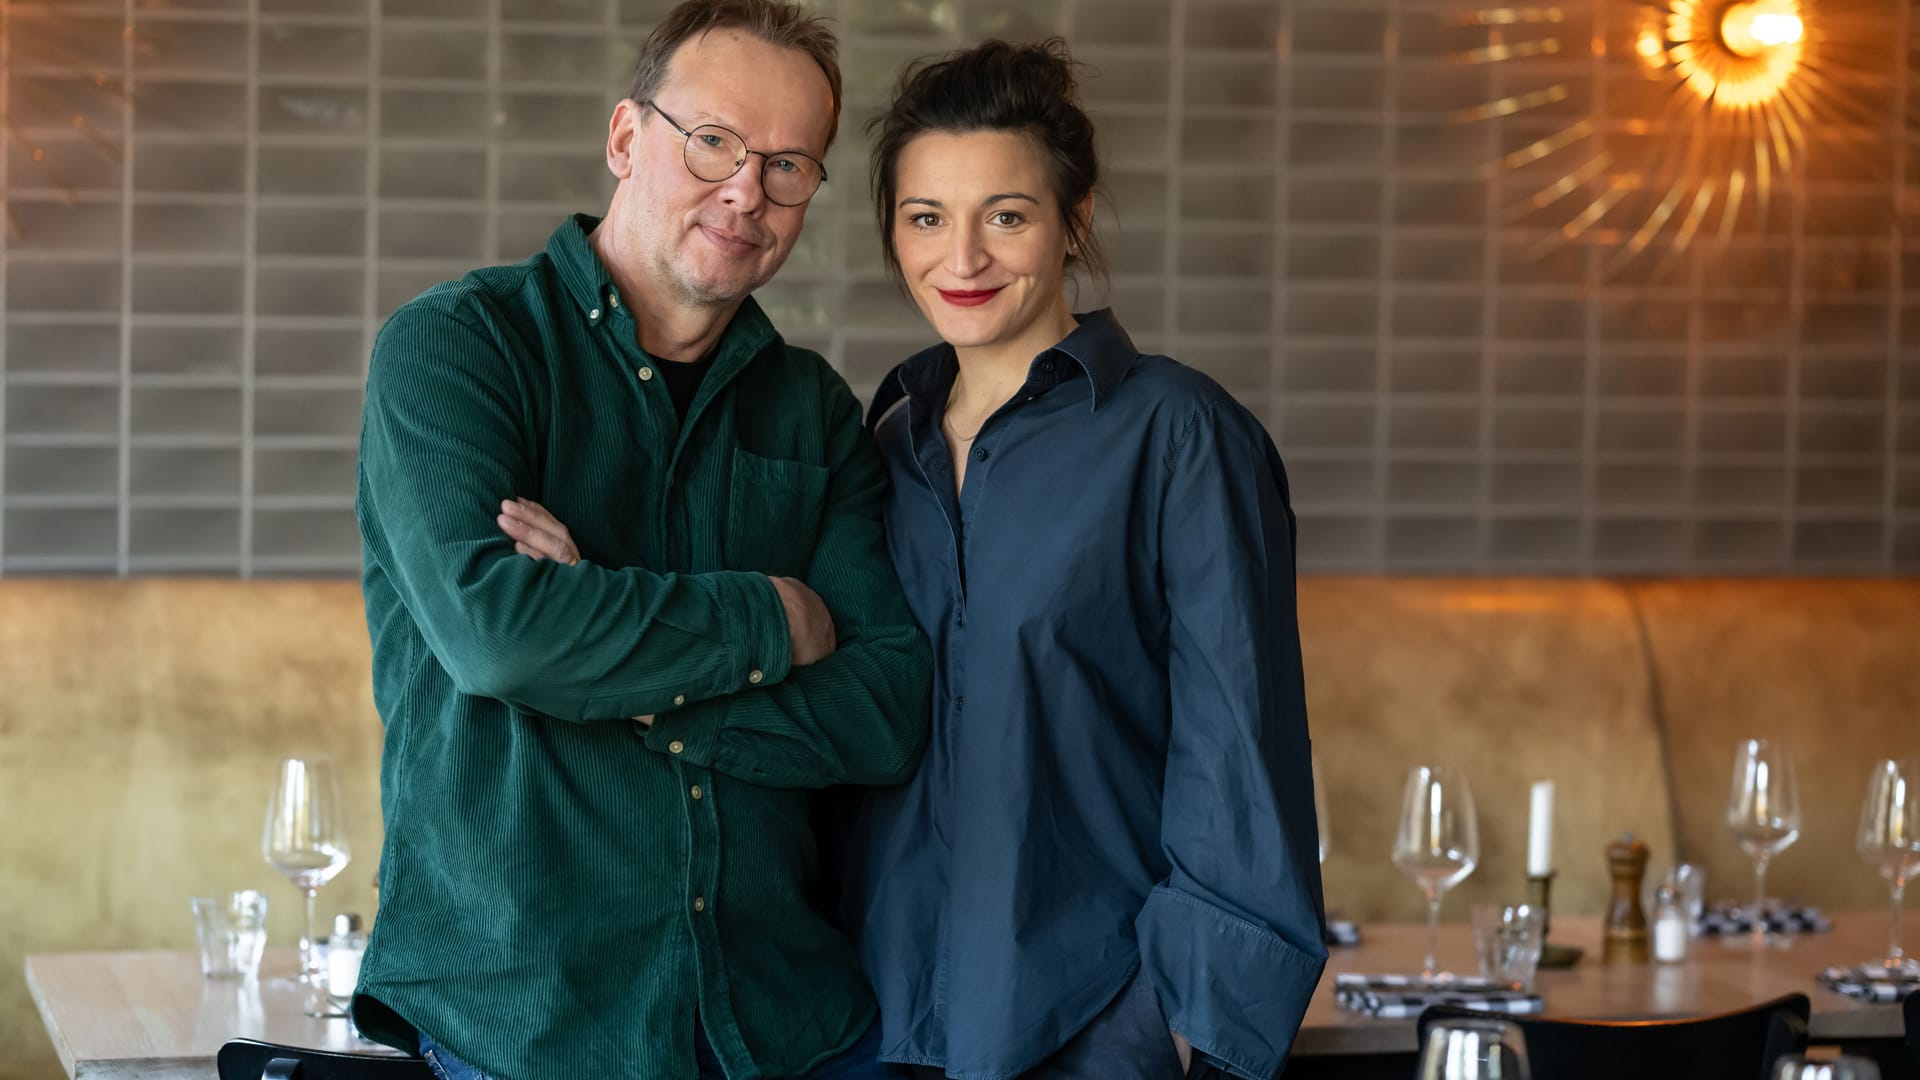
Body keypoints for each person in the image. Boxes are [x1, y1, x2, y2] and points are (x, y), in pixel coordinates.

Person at [352, 1, 930, 1077]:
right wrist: (772, 615)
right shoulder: (455, 352)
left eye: (789, 164)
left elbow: (888, 705)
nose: (746, 190)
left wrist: (606, 651)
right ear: (626, 138)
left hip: (790, 1026)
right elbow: (504, 642)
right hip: (530, 1026)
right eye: (712, 141)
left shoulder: (811, 410)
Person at [847, 40, 1325, 1080]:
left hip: (1091, 1025)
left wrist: (1179, 1022)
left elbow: (1237, 747)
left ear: (1077, 219)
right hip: (873, 1021)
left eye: (1005, 215)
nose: (961, 258)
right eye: (926, 217)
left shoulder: (1180, 435)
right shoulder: (880, 454)